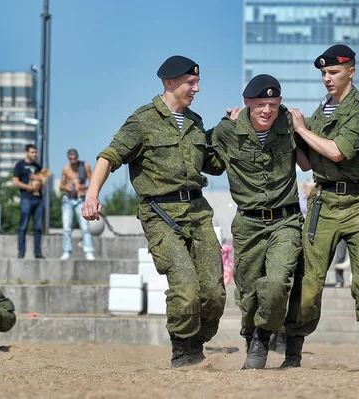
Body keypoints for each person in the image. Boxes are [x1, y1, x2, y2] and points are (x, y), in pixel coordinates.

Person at [82, 55, 227, 368]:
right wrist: (91, 195)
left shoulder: (195, 122)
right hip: (162, 214)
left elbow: (212, 166)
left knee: (214, 293)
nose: (196, 88)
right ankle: (183, 351)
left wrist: (228, 131)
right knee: (186, 286)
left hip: (198, 210)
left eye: (198, 82)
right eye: (191, 82)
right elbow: (109, 157)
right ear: (170, 82)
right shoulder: (142, 121)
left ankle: (195, 342)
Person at [283, 44, 359, 370]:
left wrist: (302, 129)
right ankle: (292, 354)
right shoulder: (318, 114)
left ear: (351, 72)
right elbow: (305, 164)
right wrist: (288, 133)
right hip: (323, 202)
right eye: (324, 73)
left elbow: (337, 151)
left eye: (334, 72)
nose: (327, 78)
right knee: (309, 282)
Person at [210, 74, 310, 369]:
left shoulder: (289, 123)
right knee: (249, 292)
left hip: (286, 220)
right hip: (248, 224)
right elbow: (199, 156)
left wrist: (302, 130)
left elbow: (306, 163)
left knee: (278, 283)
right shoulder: (226, 131)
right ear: (247, 103)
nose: (267, 110)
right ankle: (252, 333)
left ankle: (262, 339)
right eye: (261, 104)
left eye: (273, 103)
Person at [60, 149, 95, 261]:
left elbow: (92, 182)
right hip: (68, 200)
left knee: (85, 227)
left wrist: (83, 187)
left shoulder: (84, 166)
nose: (73, 161)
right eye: (71, 159)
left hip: (80, 199)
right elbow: (61, 186)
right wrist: (67, 187)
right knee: (66, 228)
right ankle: (66, 251)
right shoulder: (66, 169)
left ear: (77, 157)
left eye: (75, 158)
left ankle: (88, 251)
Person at [13, 144, 45, 259]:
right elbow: (15, 182)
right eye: (32, 152)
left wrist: (39, 181)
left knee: (37, 226)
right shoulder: (20, 165)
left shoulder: (38, 166)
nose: (34, 154)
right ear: (26, 152)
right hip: (26, 198)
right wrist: (28, 187)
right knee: (23, 226)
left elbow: (43, 183)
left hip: (38, 199)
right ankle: (21, 252)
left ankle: (38, 252)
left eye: (35, 152)